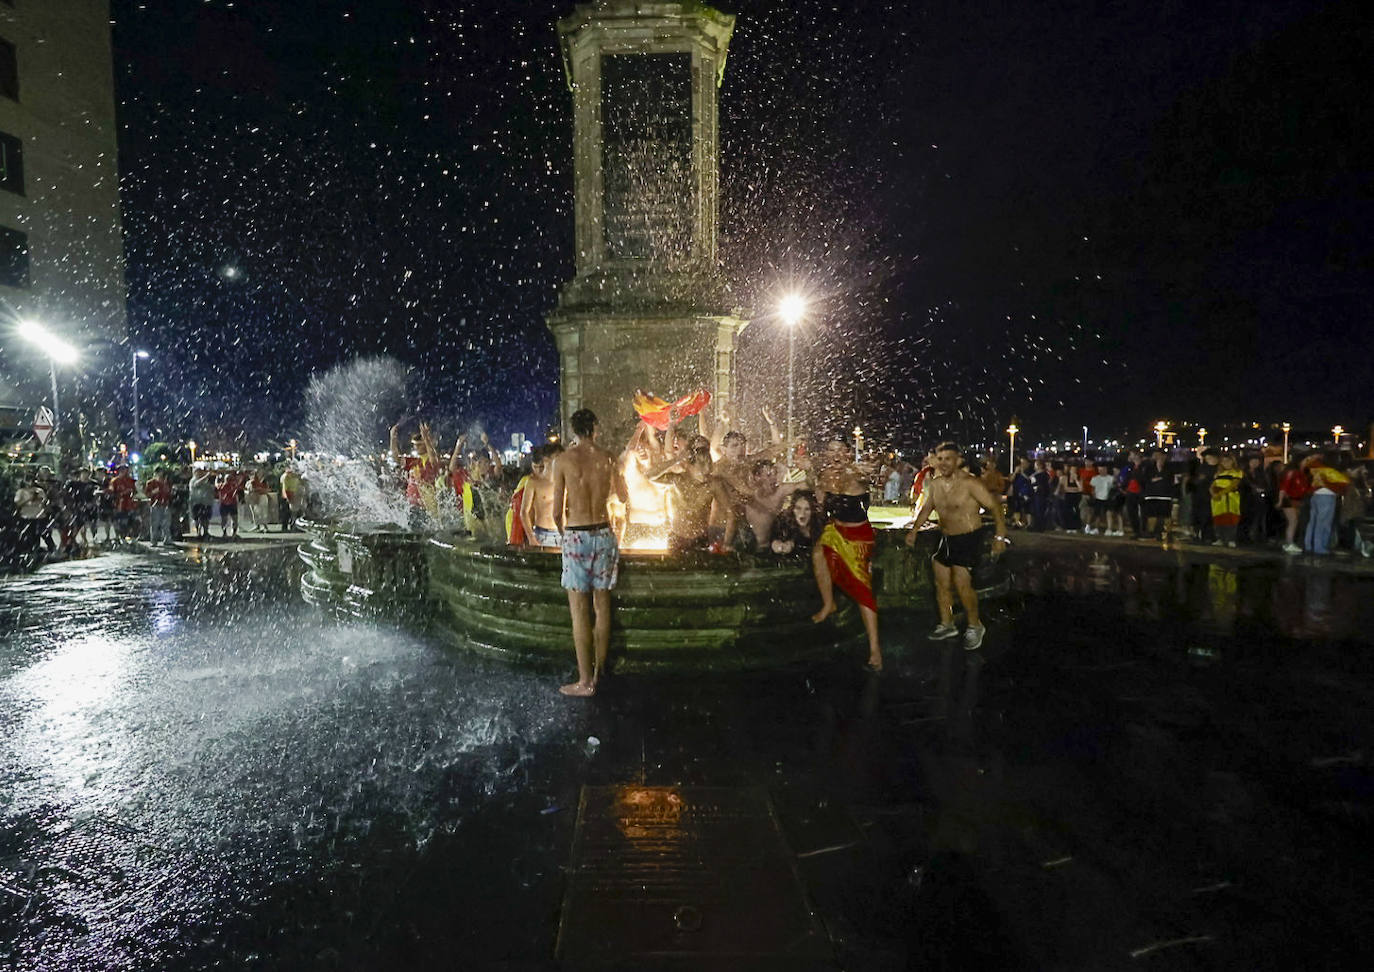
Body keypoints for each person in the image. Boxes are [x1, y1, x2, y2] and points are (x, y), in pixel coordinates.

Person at [550, 408, 627, 697]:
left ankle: (584, 682)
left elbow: (557, 512)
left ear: (573, 431)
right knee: (602, 607)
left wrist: (565, 536)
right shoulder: (608, 457)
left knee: (580, 613)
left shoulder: (562, 461)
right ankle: (599, 673)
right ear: (595, 427)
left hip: (577, 536)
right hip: (604, 534)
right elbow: (623, 496)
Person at [906, 442, 1008, 651]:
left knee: (962, 584)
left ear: (958, 460)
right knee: (941, 582)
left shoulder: (970, 483)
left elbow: (995, 507)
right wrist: (914, 530)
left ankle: (975, 625)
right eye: (940, 459)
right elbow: (927, 508)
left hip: (969, 537)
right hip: (947, 537)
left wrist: (1000, 538)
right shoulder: (934, 484)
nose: (943, 464)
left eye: (948, 459)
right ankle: (947, 624)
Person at [811, 439, 882, 672]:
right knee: (817, 553)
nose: (836, 455)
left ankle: (875, 651)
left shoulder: (856, 472)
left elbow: (870, 472)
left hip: (858, 535)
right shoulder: (825, 475)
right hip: (836, 529)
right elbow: (820, 503)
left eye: (840, 450)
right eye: (831, 450)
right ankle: (829, 604)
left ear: (848, 453)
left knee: (863, 589)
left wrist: (873, 464)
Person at [648, 436, 733, 553]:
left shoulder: (713, 483)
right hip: (678, 538)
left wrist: (727, 540)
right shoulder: (677, 480)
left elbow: (730, 511)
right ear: (689, 465)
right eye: (701, 467)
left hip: (701, 538)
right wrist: (677, 459)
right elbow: (649, 475)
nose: (705, 472)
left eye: (708, 466)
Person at [519, 444, 565, 547]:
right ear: (546, 459)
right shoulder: (533, 482)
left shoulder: (564, 481)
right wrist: (531, 537)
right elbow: (524, 512)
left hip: (562, 533)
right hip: (543, 534)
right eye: (557, 457)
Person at [1303, 454, 1348, 556]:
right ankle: (1320, 547)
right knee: (1323, 522)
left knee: (1313, 522)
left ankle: (1309, 544)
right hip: (1327, 496)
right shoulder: (1330, 472)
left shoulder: (1315, 470)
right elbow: (1343, 483)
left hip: (1315, 496)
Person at [769, 489, 822, 555]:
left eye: (807, 509)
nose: (802, 514)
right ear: (792, 509)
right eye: (798, 508)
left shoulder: (820, 525)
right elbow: (775, 542)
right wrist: (780, 546)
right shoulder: (783, 524)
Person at [1209, 454, 1244, 547]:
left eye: (1228, 461)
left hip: (1230, 498)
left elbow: (1233, 485)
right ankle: (1220, 538)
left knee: (1231, 519)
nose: (1226, 463)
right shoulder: (1218, 473)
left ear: (1233, 461)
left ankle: (1231, 539)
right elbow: (1212, 486)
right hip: (1218, 499)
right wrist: (1213, 494)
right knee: (1218, 519)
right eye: (1223, 461)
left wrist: (1220, 494)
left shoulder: (1237, 472)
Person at [1139, 449, 1174, 540]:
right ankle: (1151, 532)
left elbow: (1170, 480)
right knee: (1152, 515)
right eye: (1156, 456)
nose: (1158, 458)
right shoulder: (1149, 468)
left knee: (1166, 515)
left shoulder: (1169, 468)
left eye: (1160, 456)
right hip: (1151, 495)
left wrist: (1157, 479)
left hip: (1165, 496)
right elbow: (1145, 480)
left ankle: (1168, 533)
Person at [1276, 458, 1309, 554]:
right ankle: (1289, 543)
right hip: (1289, 499)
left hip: (1296, 499)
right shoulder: (1292, 472)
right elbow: (1284, 487)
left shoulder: (1300, 473)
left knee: (1294, 522)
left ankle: (1290, 542)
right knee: (1293, 521)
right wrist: (1280, 500)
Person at [109, 465, 139, 542]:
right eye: (123, 470)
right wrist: (122, 493)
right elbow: (111, 493)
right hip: (119, 504)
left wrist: (133, 494)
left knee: (132, 522)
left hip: (129, 505)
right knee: (121, 522)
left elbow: (135, 491)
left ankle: (129, 537)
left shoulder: (131, 481)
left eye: (126, 469)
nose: (125, 471)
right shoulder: (114, 481)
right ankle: (120, 538)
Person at [144, 467, 174, 545]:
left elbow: (169, 493)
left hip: (165, 504)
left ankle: (167, 539)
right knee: (155, 523)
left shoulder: (166, 482)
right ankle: (154, 540)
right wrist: (154, 492)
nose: (161, 474)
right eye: (159, 472)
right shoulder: (151, 483)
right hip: (155, 504)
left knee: (166, 523)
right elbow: (147, 494)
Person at [188, 465, 215, 540]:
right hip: (196, 502)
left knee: (205, 518)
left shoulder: (206, 481)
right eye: (198, 472)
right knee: (197, 518)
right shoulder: (193, 480)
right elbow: (197, 484)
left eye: (201, 472)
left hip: (205, 502)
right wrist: (207, 475)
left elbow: (211, 489)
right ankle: (198, 533)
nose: (200, 473)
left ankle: (206, 532)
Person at [217, 468, 242, 539]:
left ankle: (232, 533)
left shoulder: (232, 485)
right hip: (226, 504)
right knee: (227, 519)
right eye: (229, 479)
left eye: (231, 479)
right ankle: (226, 533)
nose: (230, 481)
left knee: (233, 519)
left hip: (230, 504)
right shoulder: (223, 486)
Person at [280, 464, 302, 532]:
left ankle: (293, 526)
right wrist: (287, 497)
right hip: (288, 495)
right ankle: (286, 527)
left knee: (294, 513)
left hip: (294, 495)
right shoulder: (286, 477)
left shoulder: (295, 477)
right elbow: (284, 488)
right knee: (287, 513)